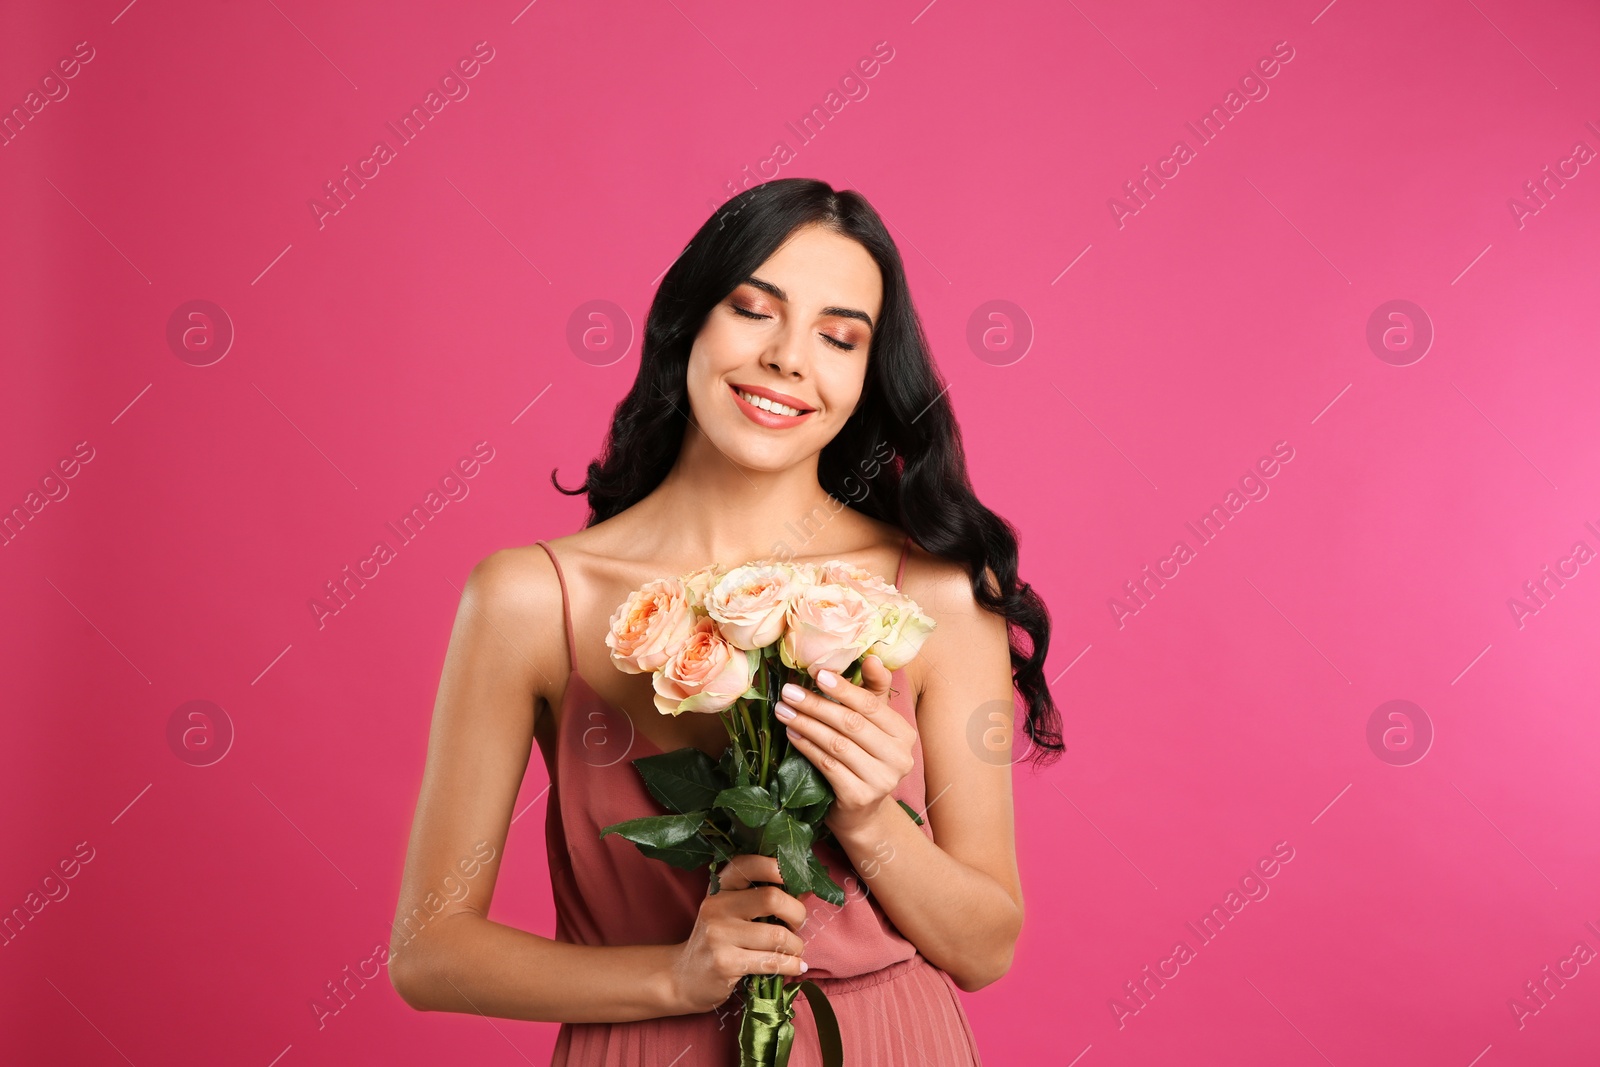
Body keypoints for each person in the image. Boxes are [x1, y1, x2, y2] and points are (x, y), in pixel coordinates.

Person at [387, 177, 1063, 1065]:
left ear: (865, 376)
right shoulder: (529, 600)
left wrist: (867, 819)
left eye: (838, 335)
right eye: (754, 310)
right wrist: (675, 976)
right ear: (688, 324)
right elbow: (428, 953)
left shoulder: (932, 594)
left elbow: (986, 947)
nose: (789, 358)